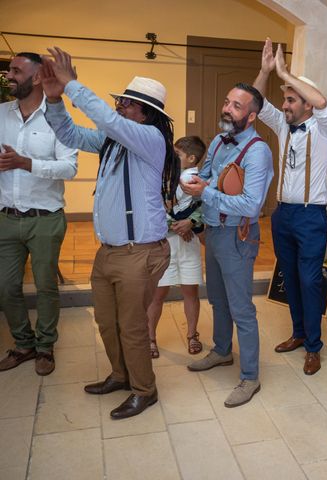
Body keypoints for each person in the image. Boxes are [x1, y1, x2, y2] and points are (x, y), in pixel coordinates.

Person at [41, 47, 179, 419]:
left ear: (146, 114)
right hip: (109, 252)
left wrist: (72, 85)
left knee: (132, 327)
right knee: (106, 321)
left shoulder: (151, 139)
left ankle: (144, 390)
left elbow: (108, 120)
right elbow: (70, 134)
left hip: (140, 252)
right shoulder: (112, 141)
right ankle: (120, 375)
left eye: (127, 104)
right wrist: (55, 100)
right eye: (120, 101)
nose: (119, 107)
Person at [183, 83, 273, 408]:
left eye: (236, 106)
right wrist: (188, 178)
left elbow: (250, 206)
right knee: (218, 301)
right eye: (226, 102)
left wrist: (204, 192)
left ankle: (250, 377)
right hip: (214, 232)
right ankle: (222, 351)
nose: (227, 109)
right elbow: (204, 175)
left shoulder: (259, 152)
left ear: (250, 117)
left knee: (242, 310)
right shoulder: (220, 141)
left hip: (238, 237)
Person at [253, 38, 327, 376]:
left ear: (307, 105)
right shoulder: (283, 126)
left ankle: (314, 347)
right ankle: (299, 334)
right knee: (289, 276)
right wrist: (265, 71)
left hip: (310, 215)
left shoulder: (325, 128)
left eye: (290, 99)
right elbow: (256, 102)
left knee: (310, 279)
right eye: (285, 99)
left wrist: (286, 72)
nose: (284, 105)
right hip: (283, 214)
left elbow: (324, 101)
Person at [0, 52, 78, 376]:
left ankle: (45, 347)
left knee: (46, 286)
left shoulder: (58, 119)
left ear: (35, 78)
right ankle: (23, 344)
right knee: (6, 287)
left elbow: (70, 167)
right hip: (5, 217)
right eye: (8, 70)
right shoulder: (0, 114)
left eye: (16, 70)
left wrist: (26, 163)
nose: (8, 76)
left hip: (45, 218)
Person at [146, 136, 207, 358]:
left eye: (178, 154)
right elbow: (154, 205)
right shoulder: (165, 177)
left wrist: (191, 222)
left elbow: (203, 204)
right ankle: (150, 338)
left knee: (191, 291)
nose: (172, 157)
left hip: (189, 243)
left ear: (191, 158)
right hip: (167, 242)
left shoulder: (199, 180)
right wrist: (176, 225)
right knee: (157, 294)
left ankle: (192, 335)